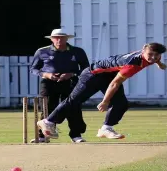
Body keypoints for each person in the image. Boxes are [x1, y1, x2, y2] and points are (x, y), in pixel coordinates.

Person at [37, 43, 167, 140]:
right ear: (144, 50)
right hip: (93, 75)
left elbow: (154, 55)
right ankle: (47, 122)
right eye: (151, 54)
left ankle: (106, 128)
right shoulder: (132, 64)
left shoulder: (148, 54)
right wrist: (105, 101)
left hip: (108, 75)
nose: (153, 58)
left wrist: (159, 64)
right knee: (74, 101)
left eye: (157, 56)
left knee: (121, 103)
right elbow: (115, 83)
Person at [30, 28, 90, 143]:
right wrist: (46, 74)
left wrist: (71, 74)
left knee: (73, 107)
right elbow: (33, 69)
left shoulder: (77, 51)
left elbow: (86, 68)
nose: (59, 40)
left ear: (67, 38)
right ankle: (43, 136)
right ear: (52, 39)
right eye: (56, 38)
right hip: (48, 83)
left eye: (62, 37)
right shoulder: (42, 51)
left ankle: (76, 135)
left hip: (70, 82)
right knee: (47, 107)